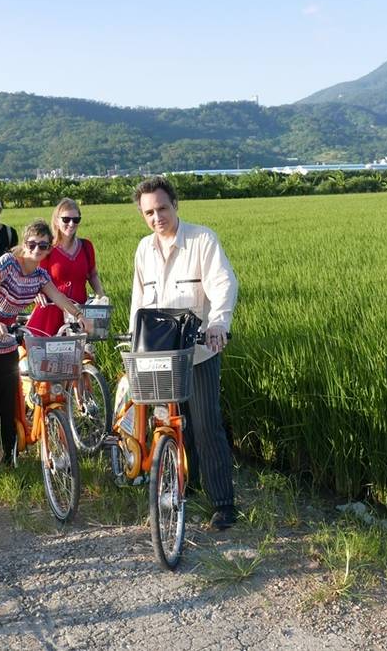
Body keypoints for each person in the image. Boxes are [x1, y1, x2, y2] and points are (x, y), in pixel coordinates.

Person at [0, 219, 93, 505]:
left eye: (44, 246)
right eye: (32, 245)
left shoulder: (40, 276)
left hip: (6, 343)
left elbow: (60, 298)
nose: (37, 250)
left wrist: (80, 316)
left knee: (8, 407)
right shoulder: (7, 263)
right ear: (25, 243)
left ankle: (7, 462)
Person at [129, 176, 240, 530]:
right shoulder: (144, 250)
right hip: (159, 356)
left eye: (162, 208)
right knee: (170, 426)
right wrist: (134, 340)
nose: (156, 217)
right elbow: (139, 303)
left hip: (199, 352)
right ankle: (181, 487)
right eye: (149, 212)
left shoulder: (201, 240)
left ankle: (223, 503)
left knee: (206, 426)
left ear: (175, 205)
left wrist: (219, 324)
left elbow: (224, 284)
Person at [26, 197, 106, 338]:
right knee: (43, 356)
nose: (71, 223)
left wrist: (101, 295)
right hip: (50, 311)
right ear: (57, 220)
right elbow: (35, 276)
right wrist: (36, 293)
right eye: (66, 219)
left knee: (80, 356)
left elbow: (92, 274)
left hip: (79, 313)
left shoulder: (86, 246)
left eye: (76, 220)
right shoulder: (47, 248)